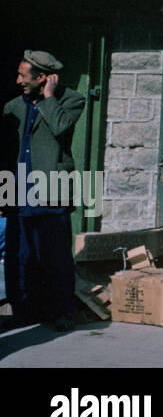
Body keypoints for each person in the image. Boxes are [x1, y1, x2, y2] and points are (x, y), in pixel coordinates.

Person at [1, 50, 86, 332]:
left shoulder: (71, 100)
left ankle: (62, 311)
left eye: (23, 76)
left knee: (55, 257)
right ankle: (23, 310)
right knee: (20, 256)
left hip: (53, 189)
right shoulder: (13, 106)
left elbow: (61, 128)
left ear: (42, 78)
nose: (18, 81)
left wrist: (49, 97)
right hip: (16, 190)